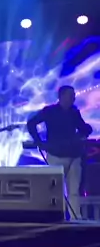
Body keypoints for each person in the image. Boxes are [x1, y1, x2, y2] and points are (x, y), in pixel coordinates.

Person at [27, 85, 92, 219]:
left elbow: (83, 127)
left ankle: (75, 218)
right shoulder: (49, 111)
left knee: (74, 191)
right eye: (70, 95)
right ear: (61, 96)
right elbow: (31, 123)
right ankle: (56, 217)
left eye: (74, 96)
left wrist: (84, 133)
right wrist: (39, 141)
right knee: (54, 190)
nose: (73, 98)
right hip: (56, 155)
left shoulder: (74, 112)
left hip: (74, 156)